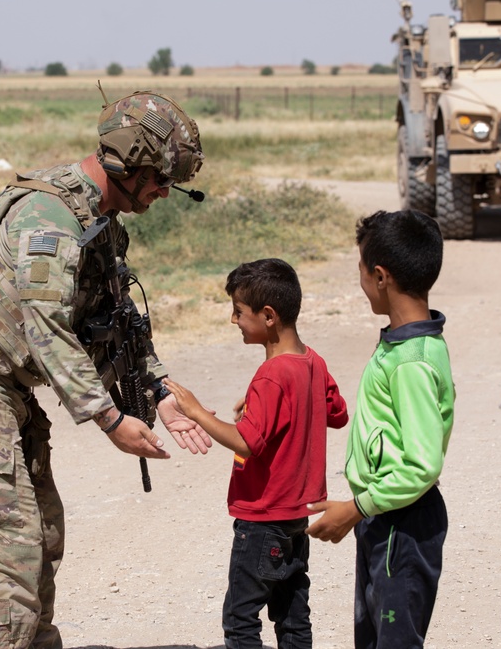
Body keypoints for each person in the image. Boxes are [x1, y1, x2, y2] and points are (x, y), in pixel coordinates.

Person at [0, 90, 212, 649]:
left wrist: (156, 389)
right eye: (161, 179)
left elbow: (110, 320)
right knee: (7, 548)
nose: (165, 193)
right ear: (129, 161)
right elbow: (46, 327)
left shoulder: (99, 220)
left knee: (43, 531)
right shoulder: (48, 220)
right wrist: (109, 419)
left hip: (6, 389)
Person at [162, 257, 349, 649]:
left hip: (262, 519)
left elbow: (247, 442)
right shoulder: (312, 361)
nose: (233, 320)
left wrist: (195, 410)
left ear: (268, 316)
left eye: (238, 312)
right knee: (293, 615)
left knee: (241, 619)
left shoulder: (271, 376)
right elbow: (337, 413)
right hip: (297, 517)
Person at [305, 209, 455, 649]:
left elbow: (423, 465)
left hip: (401, 523)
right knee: (372, 637)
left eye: (360, 272)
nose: (360, 282)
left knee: (394, 641)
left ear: (381, 276)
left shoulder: (411, 361)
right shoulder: (403, 341)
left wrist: (357, 507)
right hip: (385, 516)